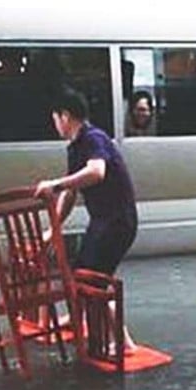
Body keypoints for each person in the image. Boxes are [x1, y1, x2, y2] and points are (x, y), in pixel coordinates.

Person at [35, 87, 138, 352]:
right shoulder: (76, 147)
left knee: (95, 281)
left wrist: (54, 184)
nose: (55, 124)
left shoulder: (93, 138)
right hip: (102, 221)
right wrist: (53, 228)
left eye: (55, 118)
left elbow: (96, 172)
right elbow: (70, 193)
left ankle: (124, 343)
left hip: (117, 222)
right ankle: (77, 318)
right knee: (79, 274)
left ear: (65, 117)